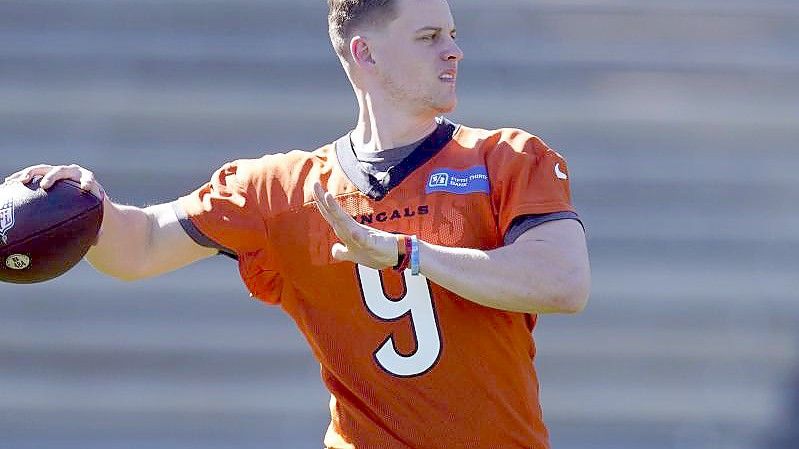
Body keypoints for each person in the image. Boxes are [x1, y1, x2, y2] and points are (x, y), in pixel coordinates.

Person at [4, 0, 590, 447]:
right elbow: (139, 248)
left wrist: (407, 253)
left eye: (454, 36)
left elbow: (563, 282)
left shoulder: (506, 158)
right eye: (430, 37)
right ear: (365, 53)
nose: (454, 51)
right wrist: (83, 203)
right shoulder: (278, 188)